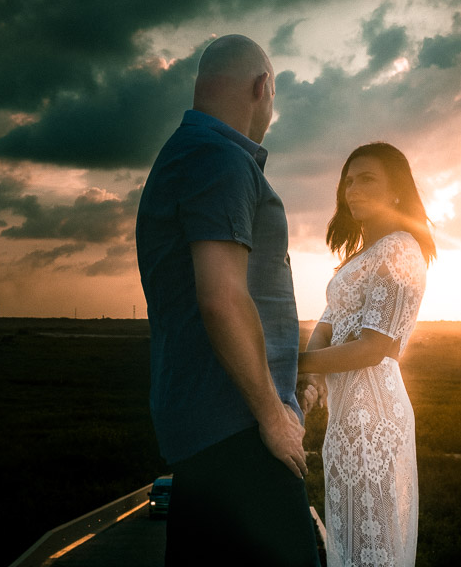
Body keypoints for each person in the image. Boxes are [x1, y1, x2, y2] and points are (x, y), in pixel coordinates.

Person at [136, 34, 320, 567]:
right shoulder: (222, 160)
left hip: (202, 430)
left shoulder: (183, 155)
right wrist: (272, 416)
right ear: (263, 87)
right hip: (239, 433)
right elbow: (221, 297)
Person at [298, 142, 436, 567]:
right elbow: (324, 329)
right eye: (349, 180)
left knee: (371, 544)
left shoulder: (400, 248)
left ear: (397, 190)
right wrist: (309, 377)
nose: (352, 189)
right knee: (347, 538)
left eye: (367, 179)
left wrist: (291, 365)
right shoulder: (360, 258)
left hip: (373, 415)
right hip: (344, 419)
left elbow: (374, 348)